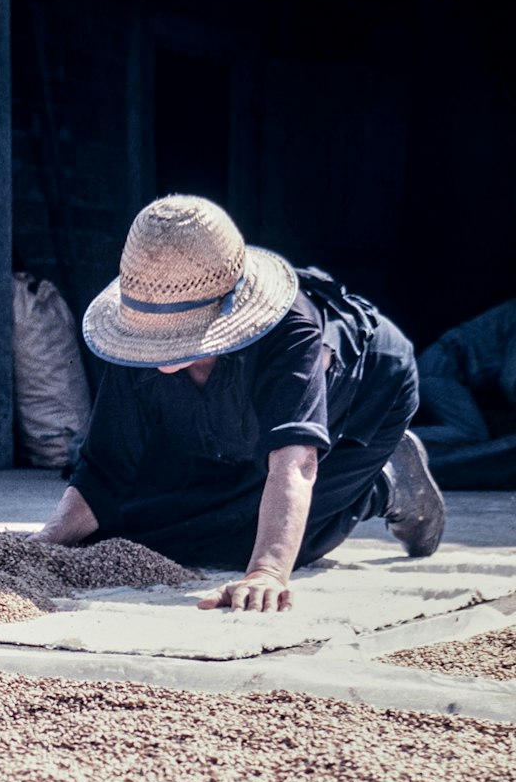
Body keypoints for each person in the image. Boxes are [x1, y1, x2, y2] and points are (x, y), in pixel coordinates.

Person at [36, 195, 446, 612]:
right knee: (132, 526)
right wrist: (43, 542)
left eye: (173, 334)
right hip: (240, 425)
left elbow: (295, 464)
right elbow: (105, 469)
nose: (156, 352)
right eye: (151, 336)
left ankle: (384, 483)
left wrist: (266, 572)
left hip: (365, 396)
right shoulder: (140, 327)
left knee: (253, 541)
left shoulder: (292, 332)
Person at [413, 299, 516, 490]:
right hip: (440, 368)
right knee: (471, 433)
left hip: (443, 369)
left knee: (471, 437)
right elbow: (511, 380)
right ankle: (396, 440)